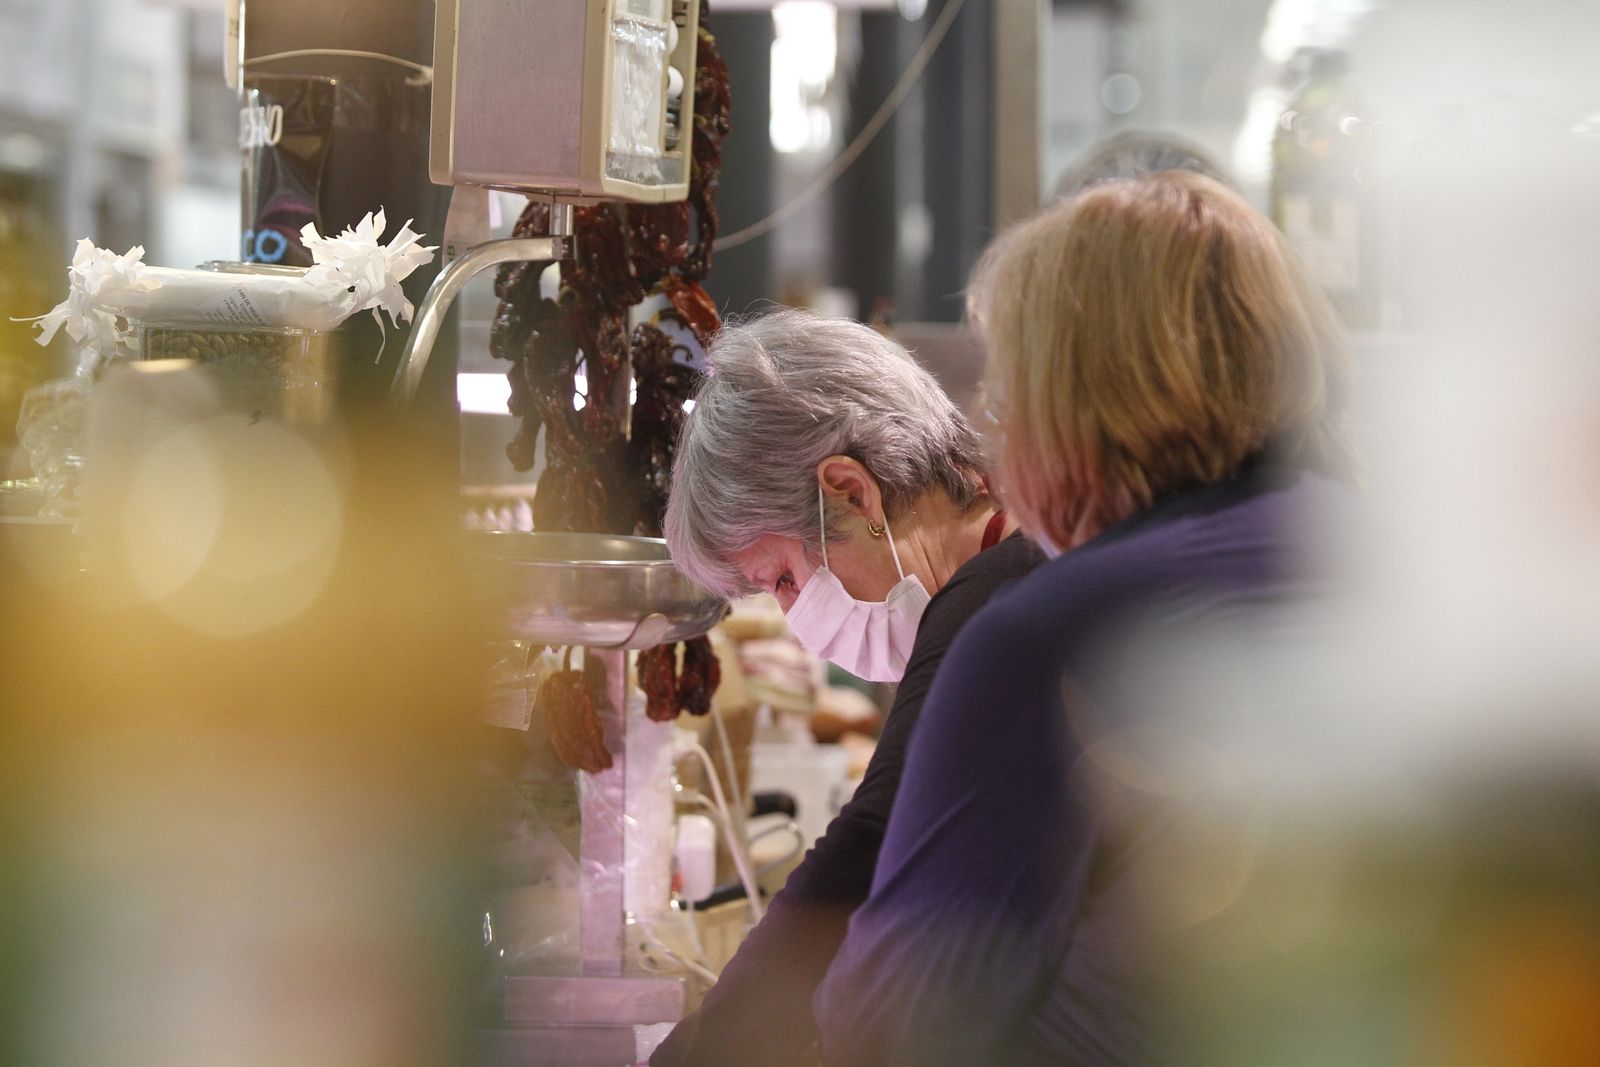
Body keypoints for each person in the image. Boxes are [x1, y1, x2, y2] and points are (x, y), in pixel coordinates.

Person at [814, 171, 1358, 1066]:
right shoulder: (1416, 572)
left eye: (1007, 393)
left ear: (1074, 401)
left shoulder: (1049, 636)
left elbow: (891, 1024)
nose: (999, 437)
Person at [654, 309, 1045, 1067]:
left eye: (785, 579)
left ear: (851, 493)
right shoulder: (1012, 554)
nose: (795, 615)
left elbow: (871, 843)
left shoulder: (990, 602)